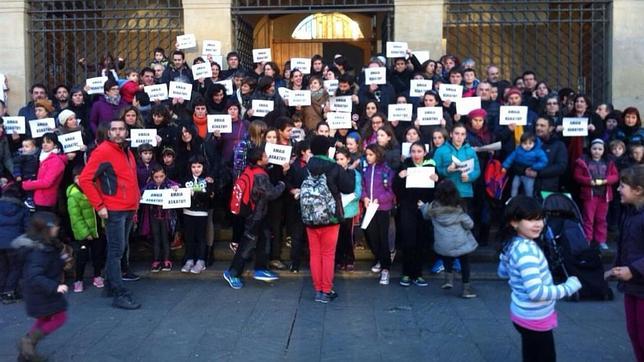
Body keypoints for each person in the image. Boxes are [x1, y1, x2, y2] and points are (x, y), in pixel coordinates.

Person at [498, 196, 582, 362]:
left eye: (540, 218)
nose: (538, 224)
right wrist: (569, 287)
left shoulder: (514, 243)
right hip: (534, 317)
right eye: (530, 220)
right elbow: (537, 292)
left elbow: (502, 272)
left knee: (531, 354)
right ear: (514, 222)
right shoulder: (527, 251)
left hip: (521, 313)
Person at [78, 119, 141, 310]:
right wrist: (99, 205)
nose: (118, 132)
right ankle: (119, 294)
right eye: (114, 129)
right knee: (116, 251)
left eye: (122, 129)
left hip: (128, 207)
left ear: (126, 131)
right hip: (115, 209)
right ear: (109, 132)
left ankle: (109, 286)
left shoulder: (127, 150)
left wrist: (135, 204)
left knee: (117, 250)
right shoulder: (103, 151)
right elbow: (85, 180)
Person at [12, 212, 72, 361]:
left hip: (40, 291)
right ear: (48, 228)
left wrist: (63, 260)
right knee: (59, 318)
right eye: (55, 225)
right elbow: (34, 275)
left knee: (44, 319)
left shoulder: (48, 244)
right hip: (42, 292)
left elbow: (50, 263)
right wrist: (55, 287)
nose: (58, 228)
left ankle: (26, 352)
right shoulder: (39, 251)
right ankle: (28, 342)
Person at [223, 146, 285, 289]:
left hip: (257, 213)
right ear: (259, 160)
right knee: (247, 244)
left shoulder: (251, 170)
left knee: (264, 238)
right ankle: (232, 272)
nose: (267, 157)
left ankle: (261, 268)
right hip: (256, 215)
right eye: (265, 156)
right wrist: (281, 184)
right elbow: (270, 194)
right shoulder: (261, 175)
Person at [303, 135, 354, 302]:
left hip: (310, 217)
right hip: (330, 217)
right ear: (327, 150)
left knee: (315, 254)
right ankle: (326, 289)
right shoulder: (334, 167)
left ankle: (317, 290)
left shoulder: (307, 166)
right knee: (328, 254)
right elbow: (348, 188)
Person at [605, 165, 644, 361]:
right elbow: (626, 244)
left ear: (638, 190)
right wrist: (616, 267)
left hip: (639, 283)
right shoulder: (629, 212)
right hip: (633, 287)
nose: (619, 189)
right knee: (634, 333)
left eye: (623, 186)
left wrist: (633, 270)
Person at [421, 179, 478, 297]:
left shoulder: (433, 207)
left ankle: (448, 280)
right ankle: (466, 289)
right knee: (465, 263)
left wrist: (422, 206)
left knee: (447, 257)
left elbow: (426, 215)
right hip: (461, 242)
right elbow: (470, 224)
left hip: (443, 243)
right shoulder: (459, 208)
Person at [395, 142, 438, 287]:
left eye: (419, 151)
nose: (416, 154)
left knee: (421, 240)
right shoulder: (404, 165)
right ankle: (407, 273)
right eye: (413, 151)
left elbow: (435, 191)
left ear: (425, 153)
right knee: (408, 240)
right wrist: (400, 178)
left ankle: (418, 274)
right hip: (408, 208)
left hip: (423, 208)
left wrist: (437, 180)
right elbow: (397, 189)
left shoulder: (430, 167)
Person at [573, 139, 619, 250]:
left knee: (601, 219)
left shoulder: (608, 162)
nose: (597, 151)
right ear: (590, 149)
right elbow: (577, 176)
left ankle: (601, 240)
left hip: (604, 196)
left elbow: (615, 176)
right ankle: (587, 239)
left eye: (600, 149)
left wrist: (606, 181)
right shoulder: (584, 161)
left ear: (604, 150)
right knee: (588, 218)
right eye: (594, 149)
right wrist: (588, 181)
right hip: (590, 196)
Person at [362, 144, 395, 286]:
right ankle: (380, 259)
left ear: (377, 154)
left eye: (371, 155)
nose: (368, 157)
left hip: (382, 209)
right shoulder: (366, 170)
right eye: (367, 155)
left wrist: (379, 199)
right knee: (371, 235)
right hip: (369, 208)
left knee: (383, 238)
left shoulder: (387, 170)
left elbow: (391, 191)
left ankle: (386, 268)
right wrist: (364, 197)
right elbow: (363, 186)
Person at [67, 165, 104, 293]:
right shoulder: (74, 195)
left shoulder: (94, 189)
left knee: (98, 255)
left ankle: (97, 276)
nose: (80, 180)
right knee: (82, 257)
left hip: (98, 229)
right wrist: (85, 233)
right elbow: (75, 217)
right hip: (84, 233)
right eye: (78, 178)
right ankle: (78, 280)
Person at [180, 155, 215, 274]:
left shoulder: (208, 180)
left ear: (203, 167)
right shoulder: (185, 180)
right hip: (188, 212)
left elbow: (209, 197)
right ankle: (189, 259)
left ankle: (201, 260)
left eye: (199, 166)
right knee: (189, 237)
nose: (196, 169)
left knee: (201, 238)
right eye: (193, 166)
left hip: (202, 213)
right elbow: (180, 193)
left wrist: (197, 192)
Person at [143, 165, 178, 272]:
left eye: (161, 176)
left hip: (166, 217)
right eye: (156, 177)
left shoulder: (169, 184)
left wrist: (175, 189)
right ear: (152, 177)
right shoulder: (149, 186)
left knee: (165, 238)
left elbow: (179, 188)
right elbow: (141, 192)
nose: (159, 179)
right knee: (156, 238)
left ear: (165, 175)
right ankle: (156, 260)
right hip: (154, 216)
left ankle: (167, 260)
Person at [21, 133, 67, 212]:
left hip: (45, 200)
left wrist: (27, 185)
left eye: (48, 142)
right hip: (39, 198)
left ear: (55, 145)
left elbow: (47, 182)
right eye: (43, 142)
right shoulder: (42, 157)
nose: (44, 144)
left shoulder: (56, 161)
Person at [0, 182, 30, 304]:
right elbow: (27, 227)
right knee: (15, 267)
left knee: (2, 267)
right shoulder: (23, 208)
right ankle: (9, 292)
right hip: (15, 243)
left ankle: (2, 290)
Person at [334, 147, 362, 272]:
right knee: (337, 237)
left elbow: (358, 192)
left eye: (342, 159)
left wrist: (344, 200)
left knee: (347, 236)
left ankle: (349, 259)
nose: (339, 161)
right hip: (336, 209)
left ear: (348, 160)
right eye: (337, 159)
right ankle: (339, 260)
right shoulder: (333, 172)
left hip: (349, 210)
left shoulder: (355, 174)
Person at [502, 132, 548, 197]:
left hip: (529, 172)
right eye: (525, 143)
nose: (527, 146)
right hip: (518, 172)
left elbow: (544, 161)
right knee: (514, 186)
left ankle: (529, 201)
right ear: (521, 143)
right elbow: (510, 158)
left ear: (534, 143)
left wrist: (534, 166)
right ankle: (512, 199)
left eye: (530, 143)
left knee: (529, 188)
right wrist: (505, 166)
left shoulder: (538, 151)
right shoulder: (518, 150)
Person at [532, 116, 568, 195]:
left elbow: (561, 167)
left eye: (542, 126)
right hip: (529, 188)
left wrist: (538, 173)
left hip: (548, 188)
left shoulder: (559, 145)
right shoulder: (529, 143)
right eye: (537, 125)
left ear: (551, 128)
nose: (538, 128)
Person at [12, 138, 39, 209]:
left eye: (27, 146)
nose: (24, 148)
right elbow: (17, 165)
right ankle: (28, 201)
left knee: (33, 190)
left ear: (34, 147)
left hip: (35, 176)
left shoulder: (37, 154)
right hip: (26, 176)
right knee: (28, 190)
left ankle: (31, 200)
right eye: (23, 146)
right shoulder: (21, 156)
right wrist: (17, 175)